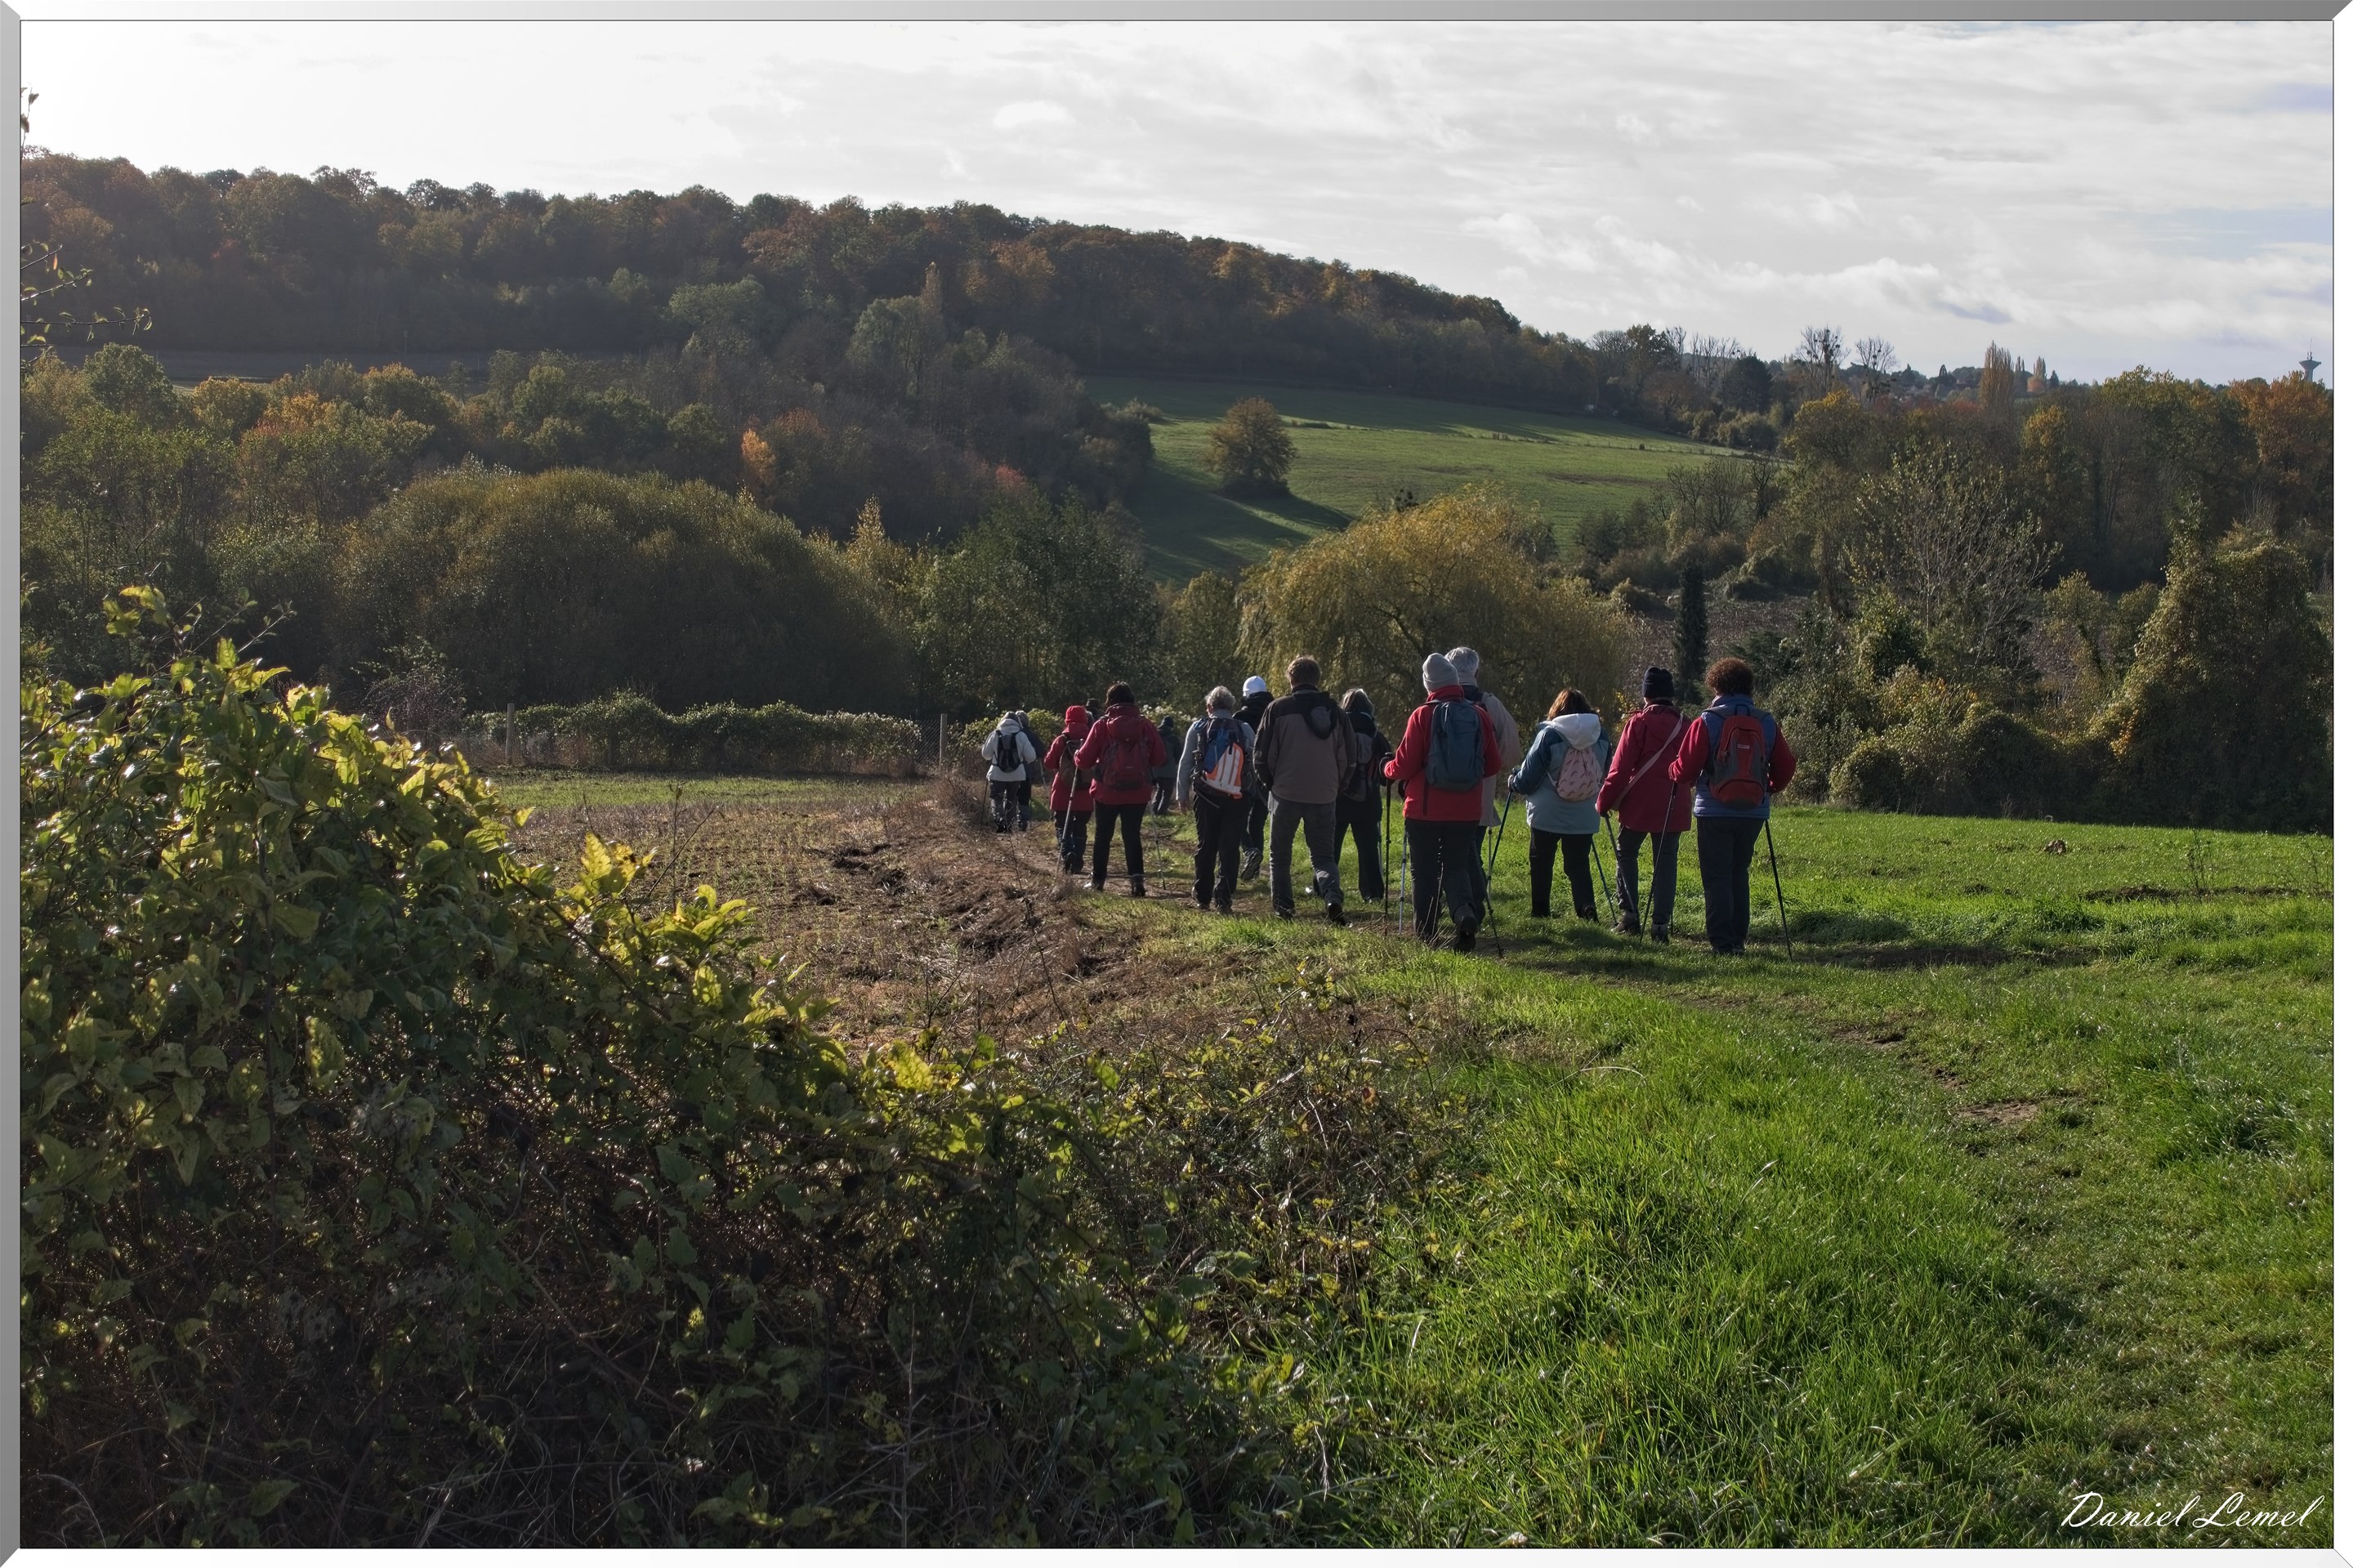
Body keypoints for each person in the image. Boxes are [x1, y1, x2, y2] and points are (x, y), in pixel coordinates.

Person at [1666, 656, 1796, 955]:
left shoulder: (1708, 721)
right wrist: (1767, 788)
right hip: (1753, 811)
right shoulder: (1766, 722)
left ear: (1717, 685)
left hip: (1713, 811)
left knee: (1716, 876)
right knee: (1739, 872)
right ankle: (1738, 939)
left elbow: (1685, 770)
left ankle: (1722, 944)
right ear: (1748, 687)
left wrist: (1672, 772)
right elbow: (1786, 768)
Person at [1384, 653, 1502, 951]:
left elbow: (1405, 765)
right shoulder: (1479, 715)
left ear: (1429, 685)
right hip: (1466, 810)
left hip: (1424, 810)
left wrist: (1387, 769)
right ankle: (1464, 914)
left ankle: (1426, 936)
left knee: (1424, 872)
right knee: (1456, 866)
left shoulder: (1422, 715)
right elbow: (1492, 765)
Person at [1253, 654, 1354, 924]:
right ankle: (1332, 897)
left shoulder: (1278, 709)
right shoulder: (1336, 712)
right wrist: (1337, 785)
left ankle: (1283, 908)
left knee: (1279, 854)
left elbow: (1263, 754)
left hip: (1285, 792)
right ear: (1317, 679)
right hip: (1324, 793)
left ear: (1291, 679)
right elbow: (1348, 756)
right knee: (1323, 856)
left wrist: (1270, 784)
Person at [1596, 665, 1691, 942]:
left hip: (1639, 803)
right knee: (1666, 863)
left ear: (1647, 694)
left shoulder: (1638, 723)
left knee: (1626, 853)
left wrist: (1603, 802)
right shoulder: (1686, 725)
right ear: (1671, 695)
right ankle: (1660, 925)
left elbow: (1620, 769)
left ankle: (1630, 916)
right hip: (1674, 802)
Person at [1509, 689, 1613, 921]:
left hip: (1547, 813)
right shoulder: (1601, 736)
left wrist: (1513, 782)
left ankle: (1541, 912)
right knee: (1578, 864)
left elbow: (1528, 778)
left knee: (1541, 862)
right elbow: (1606, 773)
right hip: (1585, 813)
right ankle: (1586, 907)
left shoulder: (1550, 735)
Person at [1073, 681, 1169, 896]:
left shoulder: (1101, 725)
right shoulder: (1145, 725)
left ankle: (1098, 881)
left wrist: (1077, 756)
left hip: (1107, 791)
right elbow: (1160, 758)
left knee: (1103, 836)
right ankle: (1137, 882)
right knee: (1132, 835)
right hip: (1138, 792)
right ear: (1132, 701)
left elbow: (1085, 760)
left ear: (1110, 702)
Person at [1445, 646, 1521, 908]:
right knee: (1471, 852)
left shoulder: (1435, 702)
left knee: (1444, 853)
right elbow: (1511, 750)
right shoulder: (1489, 703)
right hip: (1478, 793)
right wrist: (1490, 767)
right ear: (1477, 670)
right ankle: (1473, 904)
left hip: (1439, 795)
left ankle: (1452, 903)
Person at [1175, 686, 1255, 912]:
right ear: (1232, 708)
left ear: (1209, 707)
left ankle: (1202, 896)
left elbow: (1185, 763)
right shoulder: (1244, 728)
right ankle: (1224, 899)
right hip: (1237, 796)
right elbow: (1255, 760)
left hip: (1205, 794)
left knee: (1207, 845)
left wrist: (1182, 794)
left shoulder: (1199, 727)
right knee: (1229, 847)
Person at [1333, 689, 1394, 905]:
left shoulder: (1337, 731)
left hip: (1337, 800)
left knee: (1330, 847)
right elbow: (1388, 776)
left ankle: (1326, 889)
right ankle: (1373, 893)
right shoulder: (1377, 736)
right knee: (1368, 849)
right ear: (1368, 708)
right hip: (1368, 803)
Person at [1043, 704, 1095, 873]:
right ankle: (1078, 860)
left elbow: (1049, 763)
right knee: (1081, 826)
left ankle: (1067, 852)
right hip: (1086, 792)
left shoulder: (1061, 740)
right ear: (1085, 720)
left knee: (1062, 825)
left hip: (1063, 791)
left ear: (1067, 719)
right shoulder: (1092, 739)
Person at [1235, 674, 1274, 880]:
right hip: (1269, 776)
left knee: (1236, 820)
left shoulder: (1240, 717)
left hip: (1243, 777)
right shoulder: (1275, 712)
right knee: (1257, 822)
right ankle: (1255, 870)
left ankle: (1250, 850)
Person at [980, 709, 1038, 833]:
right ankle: (1008, 825)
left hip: (997, 773)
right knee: (1012, 798)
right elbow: (1031, 756)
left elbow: (986, 755)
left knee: (996, 797)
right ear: (1017, 723)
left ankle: (999, 819)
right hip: (1017, 774)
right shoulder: (1021, 735)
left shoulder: (995, 734)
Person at [1015, 709, 1046, 829]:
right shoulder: (1031, 735)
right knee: (1024, 795)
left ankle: (1009, 817)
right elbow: (1042, 752)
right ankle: (1023, 819)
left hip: (1010, 770)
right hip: (1027, 771)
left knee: (1012, 794)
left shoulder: (1011, 733)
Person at [1150, 714, 1181, 815]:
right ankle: (1162, 811)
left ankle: (1155, 809)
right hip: (1169, 770)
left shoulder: (1155, 735)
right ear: (1171, 727)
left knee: (1159, 789)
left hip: (1156, 768)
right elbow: (1179, 755)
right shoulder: (1173, 738)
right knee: (1167, 792)